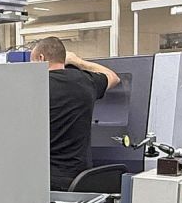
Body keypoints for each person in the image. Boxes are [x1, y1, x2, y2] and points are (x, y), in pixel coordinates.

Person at [31, 37, 121, 190]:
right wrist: (78, 61)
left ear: (41, 58)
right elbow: (113, 77)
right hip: (80, 180)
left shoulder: (34, 86)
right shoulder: (86, 81)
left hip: (44, 179)